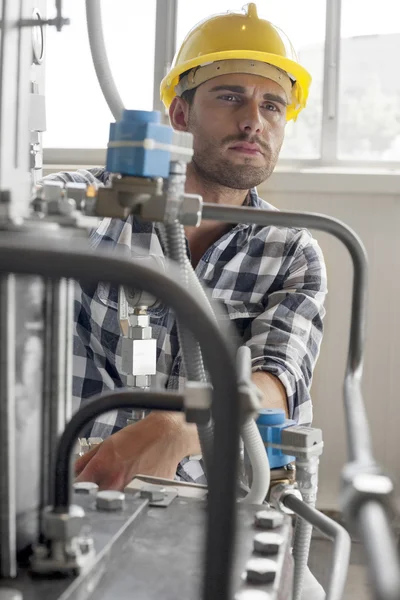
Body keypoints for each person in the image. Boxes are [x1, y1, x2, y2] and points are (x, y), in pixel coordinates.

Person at [45, 3, 327, 490]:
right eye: (230, 97)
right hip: (75, 485)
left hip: (206, 503)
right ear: (180, 113)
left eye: (272, 105)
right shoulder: (89, 207)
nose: (253, 121)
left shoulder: (292, 251)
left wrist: (176, 427)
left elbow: (276, 382)